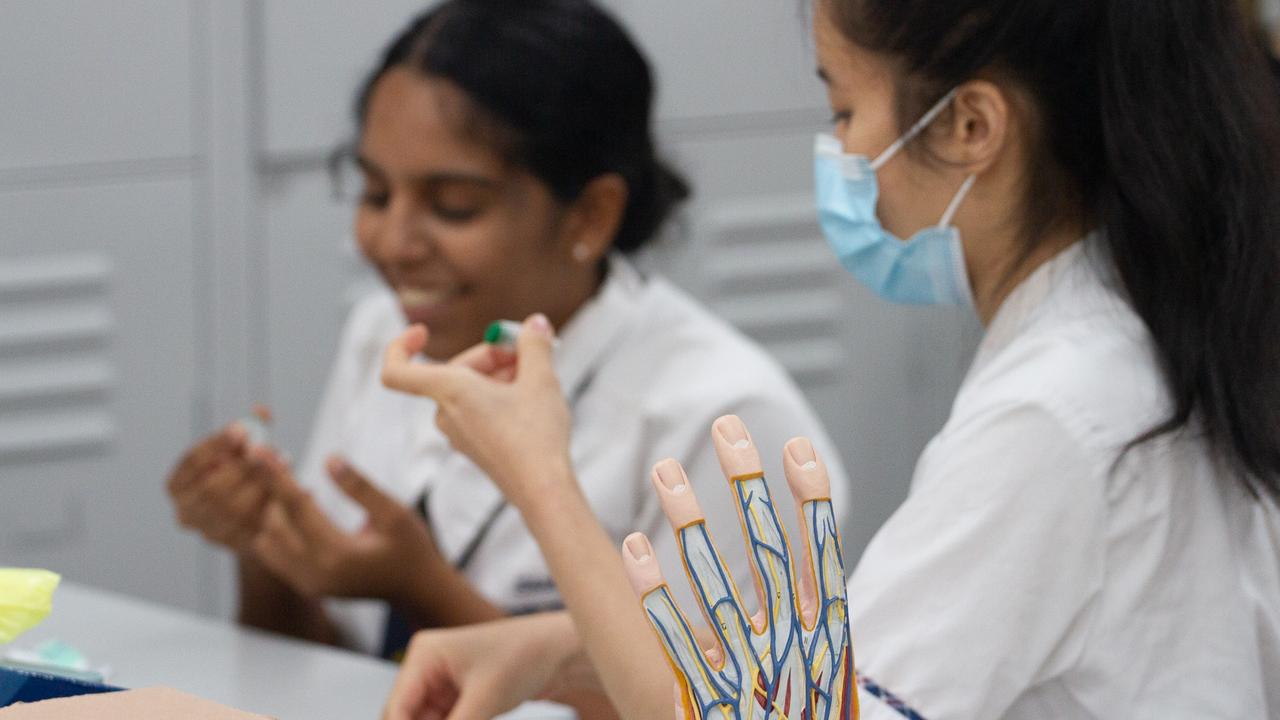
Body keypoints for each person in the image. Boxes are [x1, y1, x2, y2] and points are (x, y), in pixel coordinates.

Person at [377, 0, 1280, 717]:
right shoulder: (1118, 334)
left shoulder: (1059, 411)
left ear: (972, 125)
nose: (840, 150)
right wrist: (558, 652)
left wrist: (538, 474)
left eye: (845, 109)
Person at [163, 0, 848, 672]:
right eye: (374, 195)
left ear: (590, 215)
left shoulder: (724, 420)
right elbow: (326, 673)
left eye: (454, 206)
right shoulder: (391, 332)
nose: (393, 243)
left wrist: (420, 587)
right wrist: (266, 550)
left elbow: (711, 705)